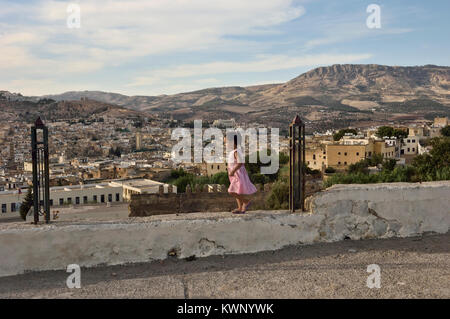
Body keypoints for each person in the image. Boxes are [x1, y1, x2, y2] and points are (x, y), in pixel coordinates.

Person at [226, 133, 257, 214]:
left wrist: (233, 171)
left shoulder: (236, 151)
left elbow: (240, 163)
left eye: (226, 142)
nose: (225, 144)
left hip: (237, 174)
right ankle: (240, 208)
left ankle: (246, 201)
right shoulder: (233, 152)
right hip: (235, 174)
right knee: (236, 191)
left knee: (231, 191)